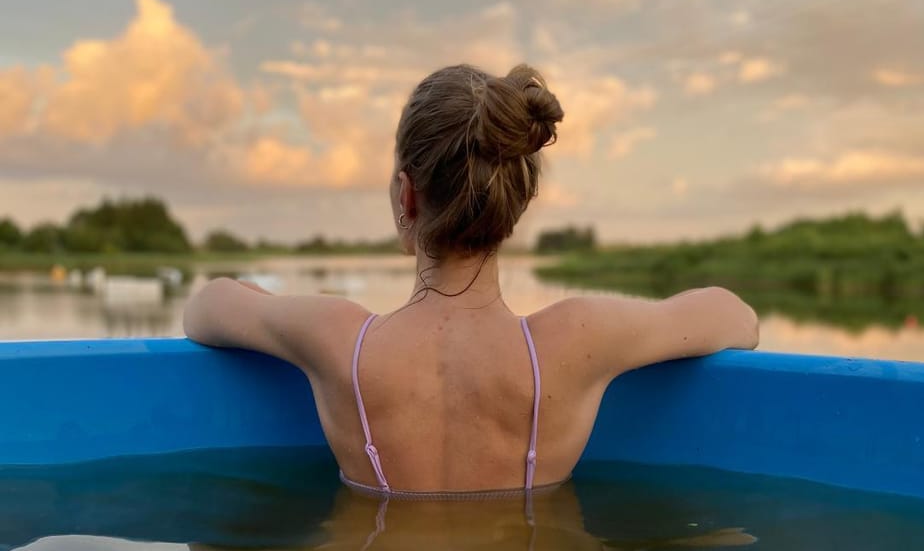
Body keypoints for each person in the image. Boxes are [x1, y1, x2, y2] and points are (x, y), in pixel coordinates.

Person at [183, 63, 758, 495]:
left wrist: (277, 309)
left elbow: (207, 307)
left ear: (406, 194)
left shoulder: (338, 340)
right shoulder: (578, 339)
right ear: (518, 202)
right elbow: (738, 318)